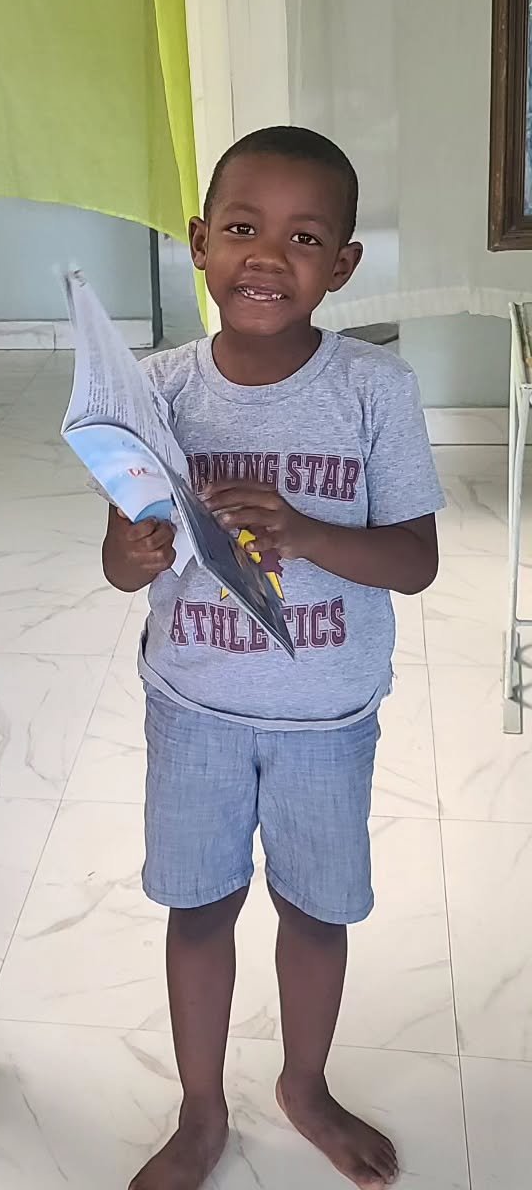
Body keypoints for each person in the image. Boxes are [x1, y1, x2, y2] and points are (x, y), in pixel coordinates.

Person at [101, 127, 443, 1190]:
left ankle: (305, 1084)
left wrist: (302, 531)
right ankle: (201, 1111)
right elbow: (120, 560)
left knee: (314, 911)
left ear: (342, 264)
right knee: (199, 908)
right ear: (199, 241)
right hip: (194, 708)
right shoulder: (155, 390)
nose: (266, 256)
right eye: (243, 228)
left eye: (303, 238)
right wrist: (131, 551)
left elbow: (416, 561)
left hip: (326, 722)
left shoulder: (375, 389)